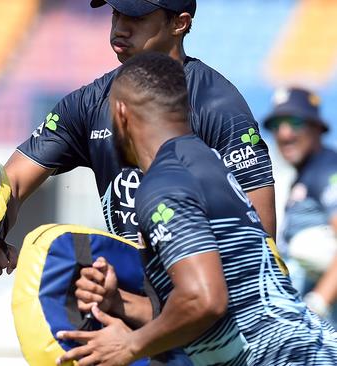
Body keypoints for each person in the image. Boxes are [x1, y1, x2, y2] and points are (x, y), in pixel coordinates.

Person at [57, 51, 337, 366]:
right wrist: (120, 303)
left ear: (121, 113)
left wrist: (130, 345)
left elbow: (204, 300)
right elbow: (220, 306)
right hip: (308, 347)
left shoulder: (163, 184)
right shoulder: (206, 162)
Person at [0, 0, 277, 287]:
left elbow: (260, 238)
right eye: (116, 14)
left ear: (179, 23)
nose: (120, 27)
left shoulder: (218, 105)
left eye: (136, 17)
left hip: (203, 303)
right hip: (129, 297)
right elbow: (11, 184)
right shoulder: (88, 103)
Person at [263, 87, 337, 321]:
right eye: (277, 125)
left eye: (294, 122)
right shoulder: (306, 174)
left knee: (306, 246)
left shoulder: (327, 169)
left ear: (316, 127)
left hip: (322, 325)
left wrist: (319, 302)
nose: (284, 134)